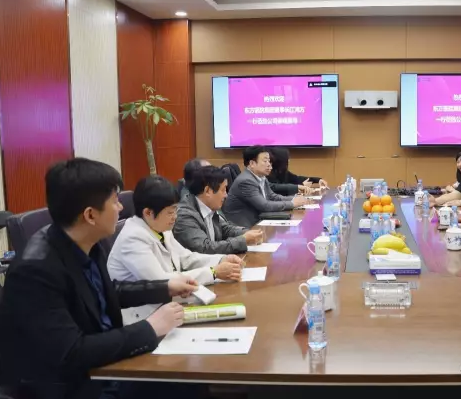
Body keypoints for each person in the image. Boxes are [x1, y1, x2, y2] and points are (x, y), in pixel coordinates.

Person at [0, 158, 204, 399]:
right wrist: (149, 328)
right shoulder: (35, 271)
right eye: (115, 201)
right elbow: (71, 352)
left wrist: (165, 287)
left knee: (190, 377)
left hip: (104, 364)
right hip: (71, 386)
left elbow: (106, 292)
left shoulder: (85, 241)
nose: (121, 207)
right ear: (90, 215)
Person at [108, 175, 243, 325]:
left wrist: (221, 259)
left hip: (169, 305)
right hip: (143, 317)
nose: (175, 217)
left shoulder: (159, 227)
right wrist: (213, 272)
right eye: (170, 212)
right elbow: (162, 283)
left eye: (175, 210)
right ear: (148, 213)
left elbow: (185, 257)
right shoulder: (132, 238)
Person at [173, 165, 264, 254]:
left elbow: (225, 229)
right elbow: (204, 248)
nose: (226, 195)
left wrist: (248, 233)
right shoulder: (185, 215)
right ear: (207, 191)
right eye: (223, 190)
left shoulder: (209, 206)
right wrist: (243, 240)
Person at [222, 146, 310, 227]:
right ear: (252, 163)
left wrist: (294, 199)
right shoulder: (246, 181)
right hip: (244, 227)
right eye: (265, 161)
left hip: (259, 220)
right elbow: (264, 205)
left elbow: (272, 196)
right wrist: (292, 204)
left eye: (269, 161)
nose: (269, 165)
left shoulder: (260, 177)